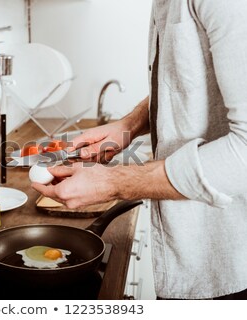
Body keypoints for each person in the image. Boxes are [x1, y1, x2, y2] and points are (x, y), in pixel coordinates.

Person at [32, 0, 247, 300]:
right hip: (187, 252)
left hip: (228, 262)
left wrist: (113, 182)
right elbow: (185, 83)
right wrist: (129, 126)